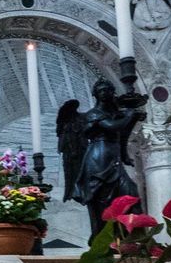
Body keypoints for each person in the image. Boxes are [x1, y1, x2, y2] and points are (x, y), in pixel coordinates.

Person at [57, 79, 147, 241]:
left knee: (130, 192)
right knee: (103, 199)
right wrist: (130, 115)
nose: (105, 93)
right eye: (101, 90)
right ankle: (106, 239)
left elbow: (122, 135)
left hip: (114, 158)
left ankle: (134, 239)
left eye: (108, 90)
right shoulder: (93, 114)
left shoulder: (116, 114)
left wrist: (125, 155)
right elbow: (113, 126)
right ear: (96, 94)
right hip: (98, 159)